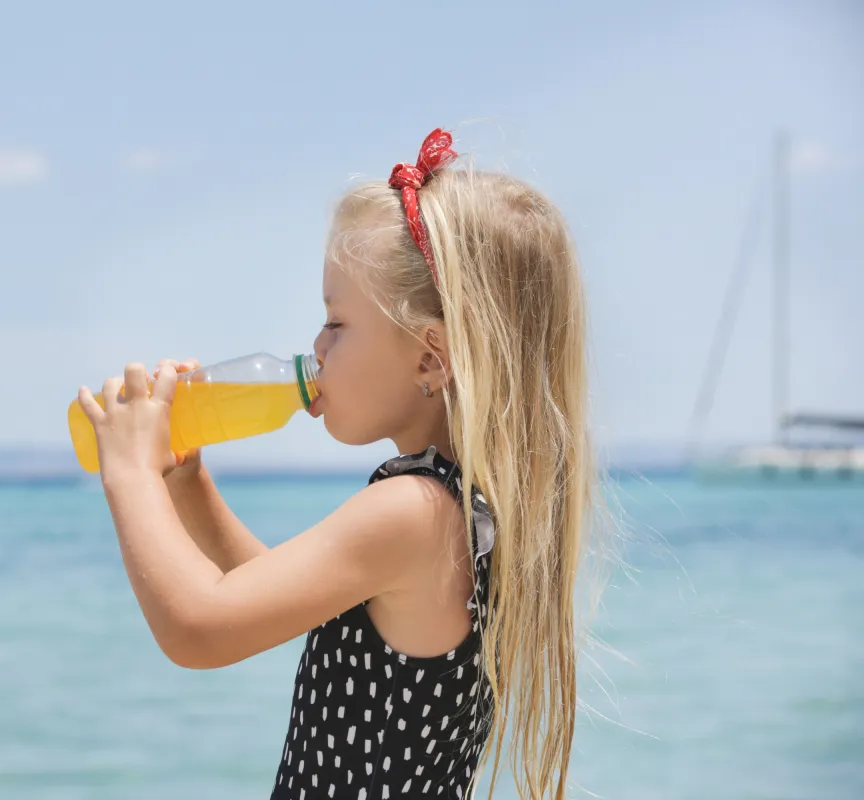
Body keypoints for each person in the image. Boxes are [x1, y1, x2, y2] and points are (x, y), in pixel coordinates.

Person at [76, 128, 597, 800]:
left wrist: (129, 473)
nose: (316, 348)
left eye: (337, 323)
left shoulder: (414, 511)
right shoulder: (458, 511)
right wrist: (187, 482)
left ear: (430, 357)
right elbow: (273, 594)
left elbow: (198, 629)